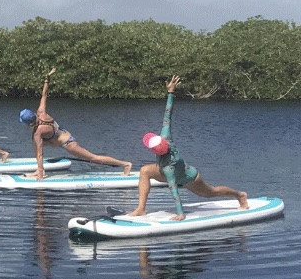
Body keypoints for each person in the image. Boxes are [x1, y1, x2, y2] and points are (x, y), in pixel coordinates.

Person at [128, 75, 248, 220]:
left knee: (209, 192)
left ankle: (239, 195)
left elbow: (174, 190)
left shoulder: (169, 169)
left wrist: (180, 213)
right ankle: (141, 209)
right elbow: (168, 114)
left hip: (189, 177)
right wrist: (171, 93)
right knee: (145, 171)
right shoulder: (165, 136)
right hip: (168, 171)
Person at [19, 67, 133, 179]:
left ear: (28, 123)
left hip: (68, 143)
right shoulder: (41, 112)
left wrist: (40, 176)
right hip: (63, 135)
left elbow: (40, 154)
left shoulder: (38, 132)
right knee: (36, 142)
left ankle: (125, 164)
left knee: (93, 158)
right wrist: (47, 79)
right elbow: (44, 95)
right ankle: (40, 169)